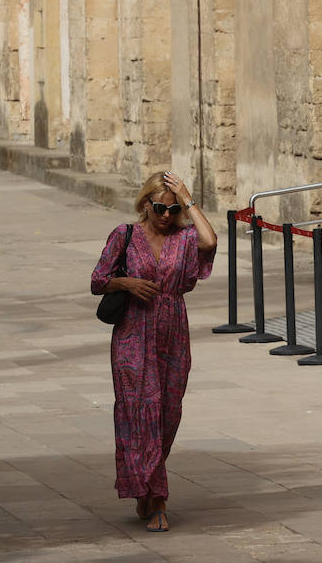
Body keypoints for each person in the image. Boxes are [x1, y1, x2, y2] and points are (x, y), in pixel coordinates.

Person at [90, 170, 217, 533]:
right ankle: (158, 496)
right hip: (133, 332)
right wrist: (127, 282)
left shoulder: (185, 237)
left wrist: (188, 199)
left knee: (166, 413)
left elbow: (209, 241)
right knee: (139, 410)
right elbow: (98, 280)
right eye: (160, 207)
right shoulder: (124, 235)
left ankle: (144, 484)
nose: (166, 215)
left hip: (172, 331)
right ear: (146, 204)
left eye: (173, 209)